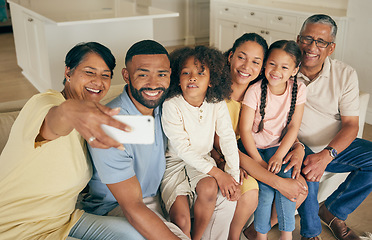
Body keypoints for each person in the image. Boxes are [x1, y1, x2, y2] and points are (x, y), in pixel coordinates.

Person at [0, 42, 142, 239]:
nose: (98, 81)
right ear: (68, 72)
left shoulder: (91, 121)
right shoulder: (43, 103)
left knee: (137, 234)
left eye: (105, 75)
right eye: (89, 72)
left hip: (64, 219)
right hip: (17, 227)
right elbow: (56, 120)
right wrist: (70, 110)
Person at [81, 40, 193, 240]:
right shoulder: (111, 125)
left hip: (155, 197)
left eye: (161, 74)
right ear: (126, 76)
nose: (153, 84)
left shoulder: (165, 108)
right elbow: (132, 207)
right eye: (143, 74)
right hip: (115, 208)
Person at [211, 33, 308, 240]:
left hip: (246, 152)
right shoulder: (216, 94)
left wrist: (299, 147)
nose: (247, 67)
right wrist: (275, 180)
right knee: (256, 192)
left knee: (301, 188)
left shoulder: (264, 91)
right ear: (230, 56)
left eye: (256, 61)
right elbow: (222, 144)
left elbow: (282, 124)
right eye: (241, 57)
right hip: (228, 153)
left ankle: (257, 231)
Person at [295, 14, 372, 240]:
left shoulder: (344, 74)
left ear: (331, 48)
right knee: (308, 168)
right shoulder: (284, 67)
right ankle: (310, 234)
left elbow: (350, 125)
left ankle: (333, 210)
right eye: (307, 39)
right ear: (298, 39)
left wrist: (327, 155)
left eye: (321, 42)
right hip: (296, 143)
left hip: (333, 145)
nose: (312, 47)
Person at [160, 45, 240, 239]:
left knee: (209, 187)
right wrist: (218, 174)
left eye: (200, 73)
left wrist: (233, 175)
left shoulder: (217, 103)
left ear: (212, 81)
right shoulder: (171, 105)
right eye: (186, 72)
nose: (192, 77)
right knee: (181, 221)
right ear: (178, 79)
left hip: (203, 159)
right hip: (175, 163)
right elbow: (183, 149)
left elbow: (227, 137)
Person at [240, 40, 305, 240]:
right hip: (253, 148)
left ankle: (286, 235)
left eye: (285, 67)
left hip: (277, 148)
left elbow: (294, 126)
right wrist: (258, 162)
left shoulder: (299, 89)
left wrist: (279, 155)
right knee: (267, 189)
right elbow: (244, 130)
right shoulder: (254, 91)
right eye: (272, 64)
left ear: (294, 70)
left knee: (290, 183)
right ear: (265, 64)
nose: (276, 71)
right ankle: (261, 236)